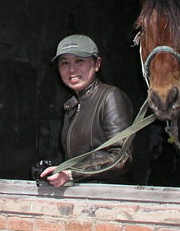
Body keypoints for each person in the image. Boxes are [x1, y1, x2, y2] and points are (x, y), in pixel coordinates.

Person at [40, 34, 134, 187]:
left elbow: (121, 158)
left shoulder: (110, 97)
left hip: (108, 198)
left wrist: (71, 173)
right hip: (81, 197)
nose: (72, 69)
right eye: (64, 63)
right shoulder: (72, 106)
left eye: (79, 61)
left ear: (97, 64)